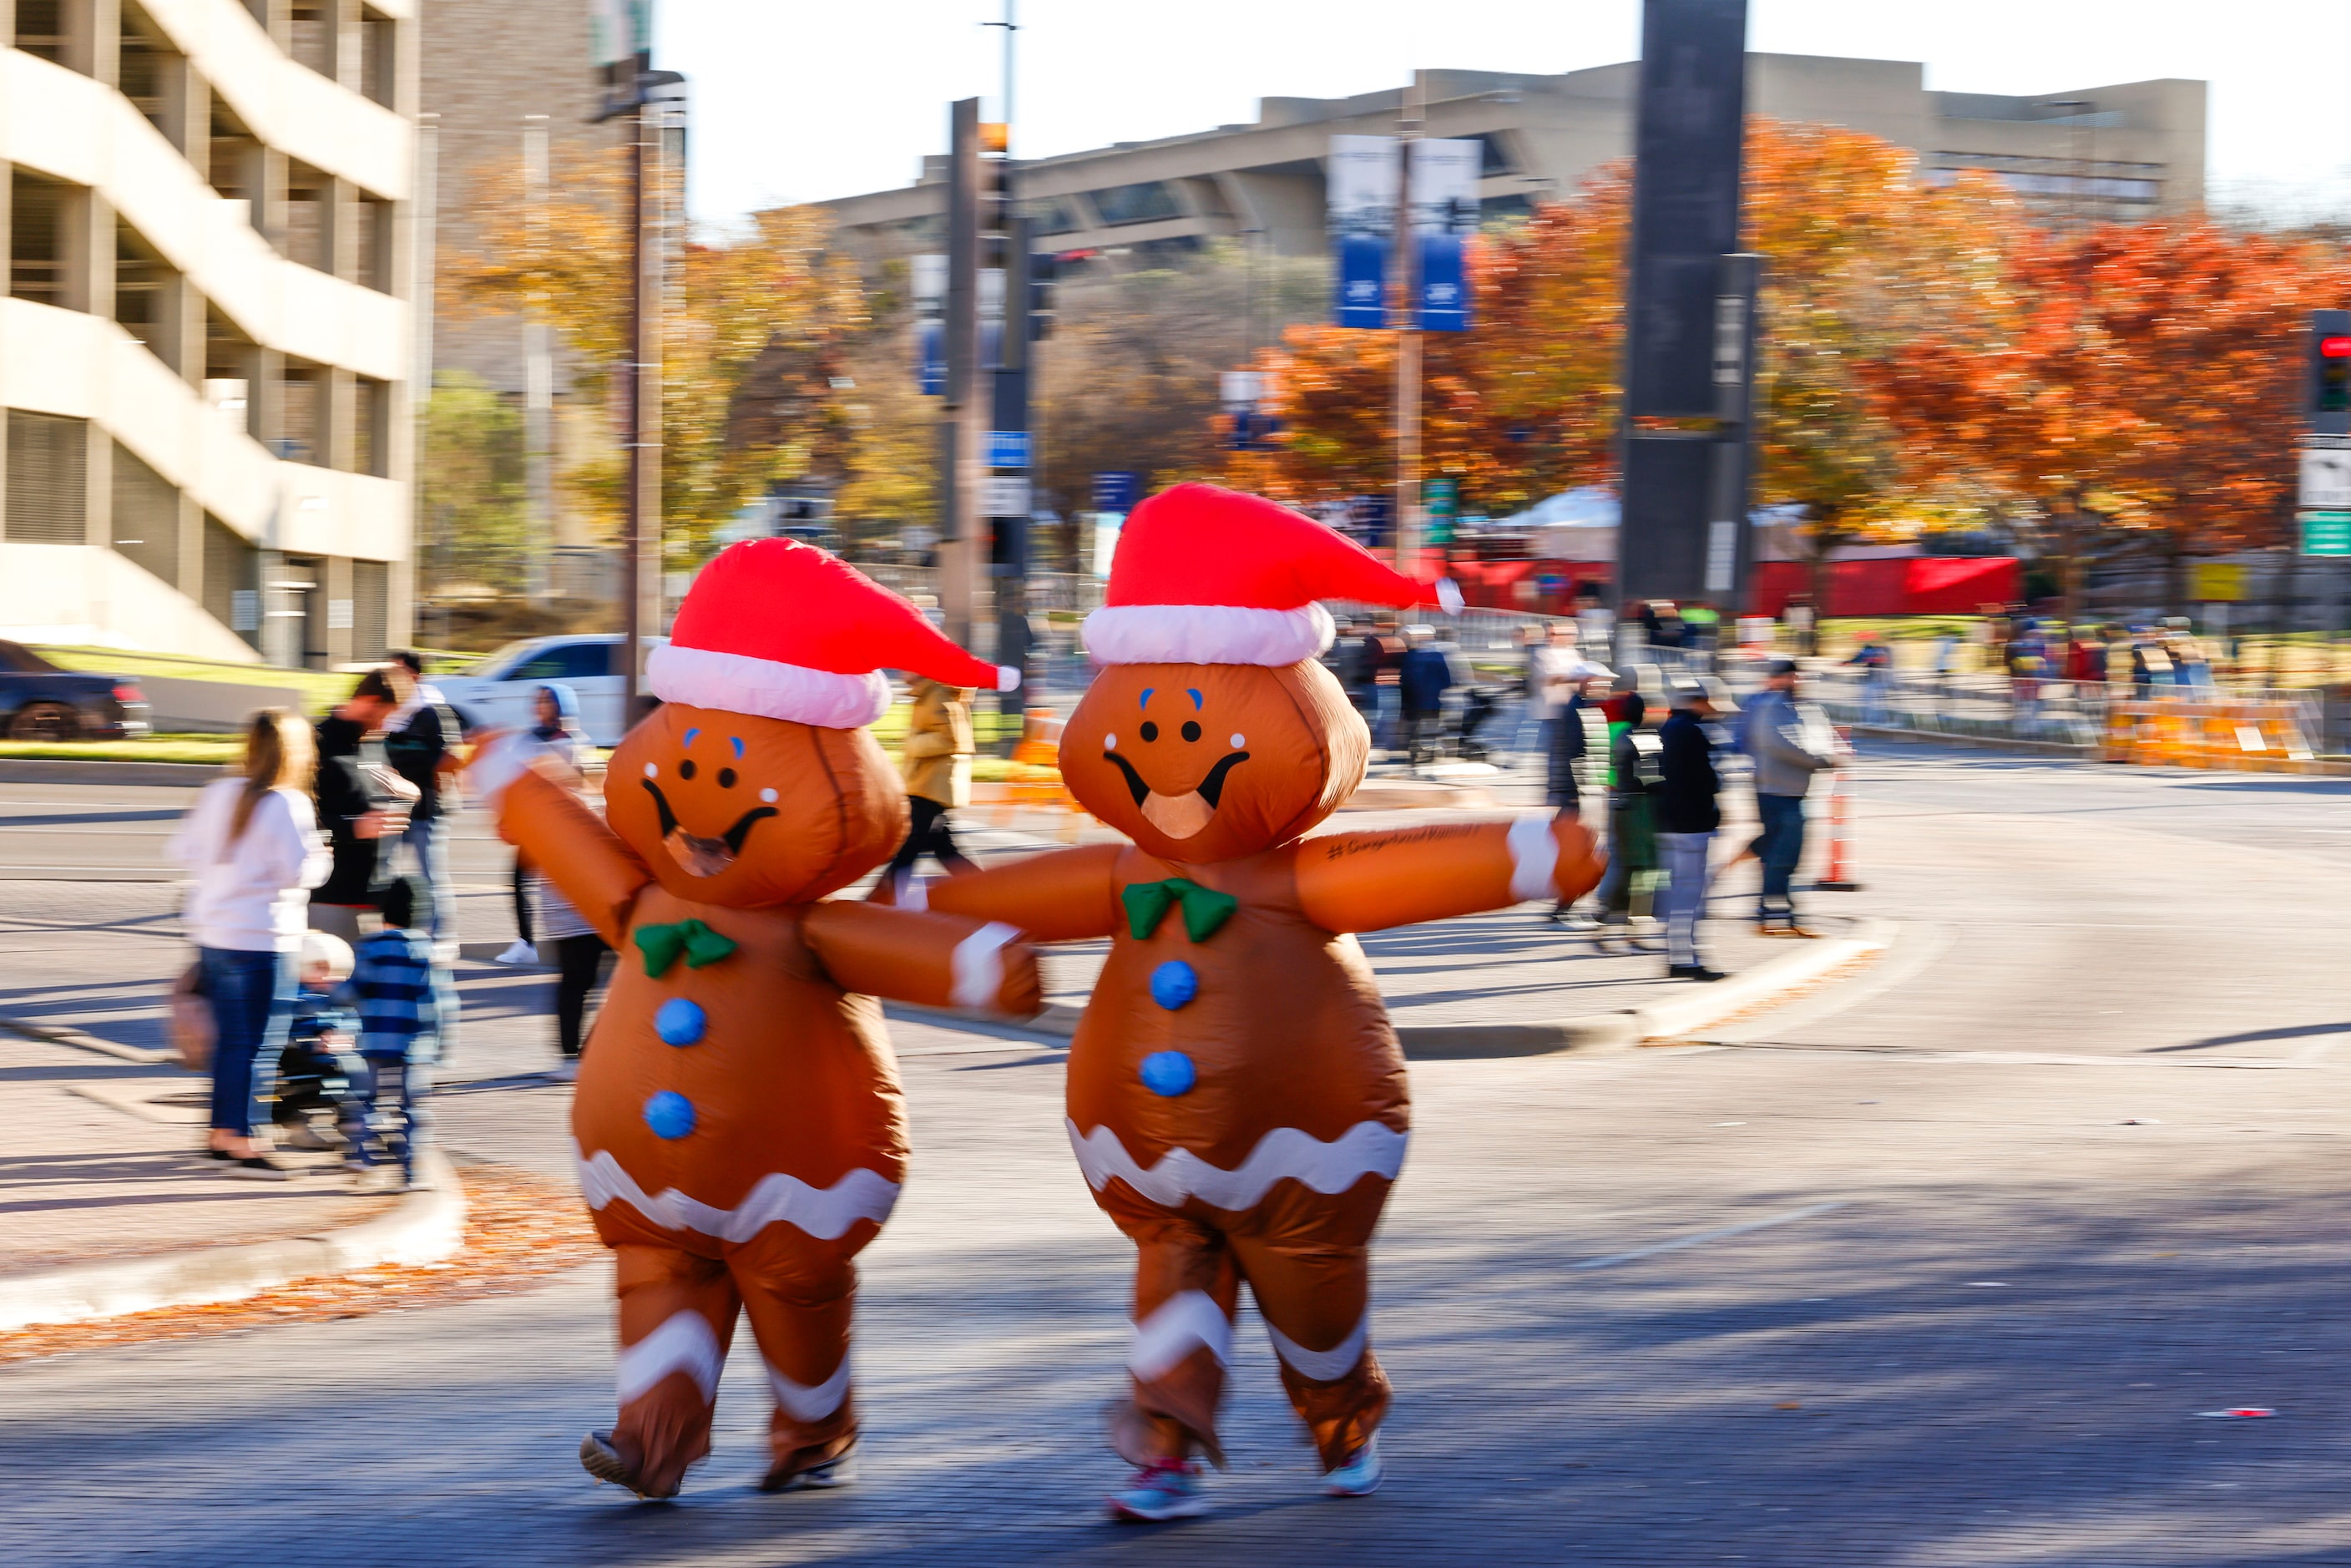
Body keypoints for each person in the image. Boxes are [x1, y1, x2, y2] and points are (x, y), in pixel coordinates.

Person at [169, 708, 331, 1178]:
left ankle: (221, 1133)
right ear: (296, 752)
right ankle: (244, 1141)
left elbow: (182, 851)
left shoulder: (219, 792)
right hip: (263, 936)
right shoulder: (287, 803)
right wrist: (322, 856)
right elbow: (299, 872)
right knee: (257, 1046)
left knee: (230, 1044)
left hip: (213, 934)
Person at [348, 875, 440, 1192]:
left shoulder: (369, 946)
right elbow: (435, 1001)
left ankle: (362, 1155)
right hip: (411, 1041)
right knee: (411, 1108)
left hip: (373, 1038)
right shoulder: (423, 949)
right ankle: (410, 1174)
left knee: (370, 1101)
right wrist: (439, 1043)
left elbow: (354, 989)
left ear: (382, 912)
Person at [310, 670, 412, 943]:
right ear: (369, 701)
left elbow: (380, 800)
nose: (388, 726)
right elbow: (300, 820)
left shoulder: (372, 744)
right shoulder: (316, 744)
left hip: (373, 900)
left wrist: (409, 795)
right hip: (330, 900)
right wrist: (353, 827)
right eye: (386, 715)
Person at [1742, 659, 1841, 938]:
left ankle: (1775, 916)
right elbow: (1779, 743)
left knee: (1785, 855)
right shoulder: (1770, 707)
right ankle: (1776, 917)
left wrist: (1826, 755)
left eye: (1797, 677)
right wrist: (1821, 759)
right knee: (1782, 857)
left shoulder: (1801, 707)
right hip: (1776, 792)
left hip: (1793, 791)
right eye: (1789, 677)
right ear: (1777, 679)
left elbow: (1821, 737)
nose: (1796, 682)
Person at [497, 684, 592, 965]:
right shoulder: (529, 737)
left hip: (560, 827)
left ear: (562, 705)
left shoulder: (571, 740)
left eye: (547, 700)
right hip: (533, 826)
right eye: (537, 700)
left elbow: (571, 782)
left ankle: (590, 937)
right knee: (519, 881)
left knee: (571, 886)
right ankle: (526, 943)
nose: (539, 705)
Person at [382, 651, 463, 942]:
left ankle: (442, 939)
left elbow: (453, 756)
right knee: (384, 870)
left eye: (398, 670)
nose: (390, 675)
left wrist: (439, 792)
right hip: (394, 808)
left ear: (415, 675)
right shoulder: (393, 711)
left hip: (426, 811)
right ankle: (392, 934)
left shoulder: (432, 711)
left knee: (431, 876)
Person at [881, 675, 978, 892]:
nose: (902, 672)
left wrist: (913, 744)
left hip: (932, 785)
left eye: (907, 667)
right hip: (927, 782)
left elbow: (952, 738)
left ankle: (883, 896)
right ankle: (987, 890)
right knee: (942, 848)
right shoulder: (928, 693)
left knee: (910, 846)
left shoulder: (938, 694)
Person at [1656, 678, 1726, 982]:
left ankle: (1675, 954)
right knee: (1691, 895)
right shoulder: (1695, 733)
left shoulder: (1663, 730)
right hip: (1693, 825)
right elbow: (1709, 781)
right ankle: (1688, 958)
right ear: (1697, 702)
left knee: (1674, 893)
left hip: (1666, 823)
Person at [270, 930, 359, 1153]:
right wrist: (310, 1041)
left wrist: (343, 1032)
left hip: (330, 1057)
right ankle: (296, 1125)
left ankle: (352, 1122)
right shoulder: (291, 995)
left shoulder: (338, 995)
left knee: (354, 1070)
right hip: (297, 1057)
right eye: (321, 968)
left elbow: (352, 1017)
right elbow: (280, 1025)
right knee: (296, 1065)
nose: (330, 977)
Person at [1595, 690, 1662, 952]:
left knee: (1625, 869)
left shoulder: (1617, 734)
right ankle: (1631, 931)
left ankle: (1609, 929)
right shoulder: (1645, 737)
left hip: (1619, 804)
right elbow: (1652, 779)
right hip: (1641, 811)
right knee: (1644, 872)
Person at [1396, 625, 1457, 771]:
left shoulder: (1409, 656)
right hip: (1433, 700)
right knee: (1432, 728)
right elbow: (1447, 680)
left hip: (1413, 701)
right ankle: (1431, 754)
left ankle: (1413, 756)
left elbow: (1404, 679)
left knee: (1414, 729)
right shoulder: (1438, 655)